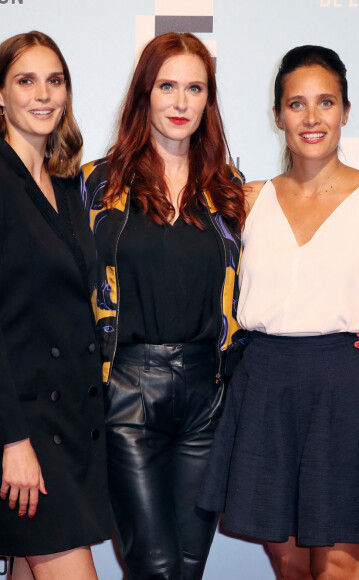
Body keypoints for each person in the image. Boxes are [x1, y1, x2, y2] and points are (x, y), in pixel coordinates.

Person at [198, 45, 359, 580]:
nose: (312, 118)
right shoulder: (246, 200)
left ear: (345, 110)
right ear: (277, 116)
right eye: (296, 104)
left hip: (351, 391)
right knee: (291, 571)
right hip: (265, 390)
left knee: (340, 570)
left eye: (326, 103)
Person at [81, 32, 246, 580]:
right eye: (167, 86)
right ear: (143, 96)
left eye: (194, 88)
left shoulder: (228, 191)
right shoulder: (98, 185)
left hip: (208, 396)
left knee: (189, 567)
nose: (181, 102)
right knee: (154, 566)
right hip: (129, 391)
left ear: (208, 99)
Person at [0, 31, 110, 580]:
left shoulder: (66, 184)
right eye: (25, 81)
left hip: (70, 421)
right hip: (20, 425)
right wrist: (14, 440)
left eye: (55, 80)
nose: (43, 95)